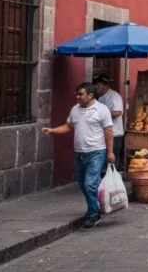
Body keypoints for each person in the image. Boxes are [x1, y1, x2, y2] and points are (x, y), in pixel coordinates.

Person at [42, 83, 115, 230]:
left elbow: (109, 131)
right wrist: (52, 130)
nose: (77, 97)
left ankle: (93, 214)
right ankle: (96, 206)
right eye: (77, 94)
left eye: (80, 94)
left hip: (97, 152)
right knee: (83, 184)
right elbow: (69, 126)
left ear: (90, 95)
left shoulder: (102, 110)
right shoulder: (75, 110)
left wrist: (110, 152)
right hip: (80, 153)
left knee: (89, 184)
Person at [92, 74, 124, 169]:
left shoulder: (115, 96)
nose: (96, 87)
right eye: (95, 85)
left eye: (99, 85)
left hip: (114, 134)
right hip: (102, 135)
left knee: (111, 163)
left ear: (106, 86)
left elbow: (118, 112)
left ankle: (113, 182)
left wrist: (102, 113)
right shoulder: (99, 97)